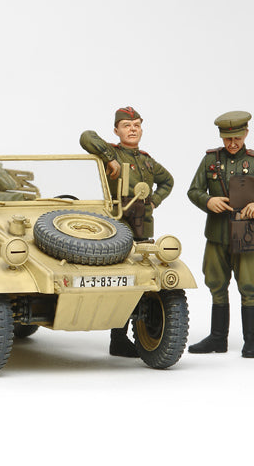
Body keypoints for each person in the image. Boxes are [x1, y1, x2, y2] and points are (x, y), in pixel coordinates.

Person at [187, 111, 254, 358]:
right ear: (221, 136)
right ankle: (218, 338)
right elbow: (194, 190)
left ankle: (250, 342)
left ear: (246, 134)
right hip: (217, 233)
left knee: (249, 286)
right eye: (228, 139)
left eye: (238, 138)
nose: (232, 144)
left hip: (246, 233)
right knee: (216, 284)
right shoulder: (210, 160)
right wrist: (207, 201)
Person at [80, 106, 174, 357]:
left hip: (143, 225)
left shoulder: (147, 161)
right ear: (116, 130)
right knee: (119, 278)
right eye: (126, 126)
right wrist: (109, 158)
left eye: (136, 125)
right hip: (116, 223)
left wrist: (154, 201)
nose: (132, 130)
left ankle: (142, 330)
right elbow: (86, 136)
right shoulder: (111, 152)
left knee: (142, 278)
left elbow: (168, 181)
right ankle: (118, 338)